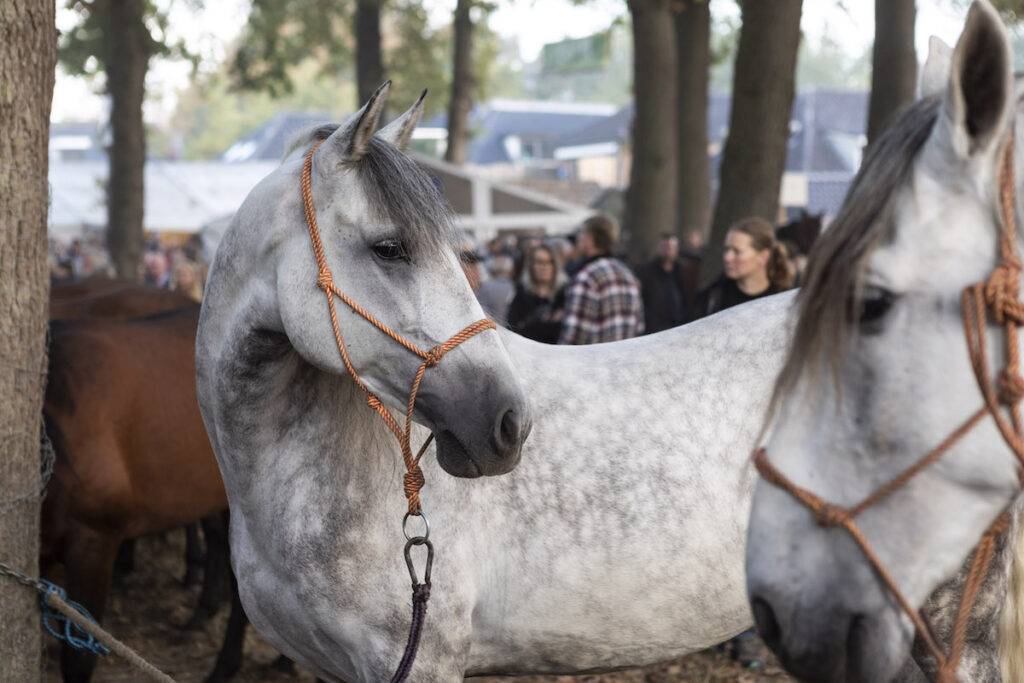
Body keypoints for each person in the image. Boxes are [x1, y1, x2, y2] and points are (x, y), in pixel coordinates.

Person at [559, 214, 643, 344]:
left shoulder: (586, 278)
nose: (578, 238)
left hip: (593, 362)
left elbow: (573, 338)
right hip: (625, 361)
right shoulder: (628, 275)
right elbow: (639, 327)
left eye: (581, 233)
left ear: (590, 238)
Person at [695, 216, 794, 319]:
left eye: (737, 251)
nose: (727, 257)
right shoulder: (710, 299)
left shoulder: (784, 301)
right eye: (727, 249)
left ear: (763, 256)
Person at [636, 233, 700, 333]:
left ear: (676, 249)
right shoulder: (647, 272)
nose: (668, 251)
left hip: (676, 328)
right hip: (653, 329)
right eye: (665, 247)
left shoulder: (682, 273)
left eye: (671, 247)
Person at [507, 243, 568, 344]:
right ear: (531, 266)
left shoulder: (565, 293)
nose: (544, 267)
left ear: (555, 266)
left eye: (549, 262)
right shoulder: (521, 293)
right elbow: (512, 329)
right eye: (539, 262)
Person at [476, 254, 516, 326]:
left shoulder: (486, 287)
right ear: (511, 271)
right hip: (510, 329)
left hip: (491, 327)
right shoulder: (515, 287)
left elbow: (480, 310)